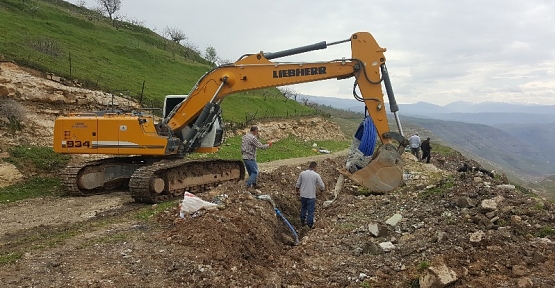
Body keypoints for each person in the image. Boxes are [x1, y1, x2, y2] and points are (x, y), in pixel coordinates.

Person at [295, 161, 325, 229]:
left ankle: (302, 221)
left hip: (303, 195)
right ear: (315, 167)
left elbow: (298, 184)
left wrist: (297, 191)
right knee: (310, 211)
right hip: (311, 196)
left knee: (303, 208)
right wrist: (321, 191)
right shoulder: (316, 175)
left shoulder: (302, 173)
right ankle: (309, 225)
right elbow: (322, 186)